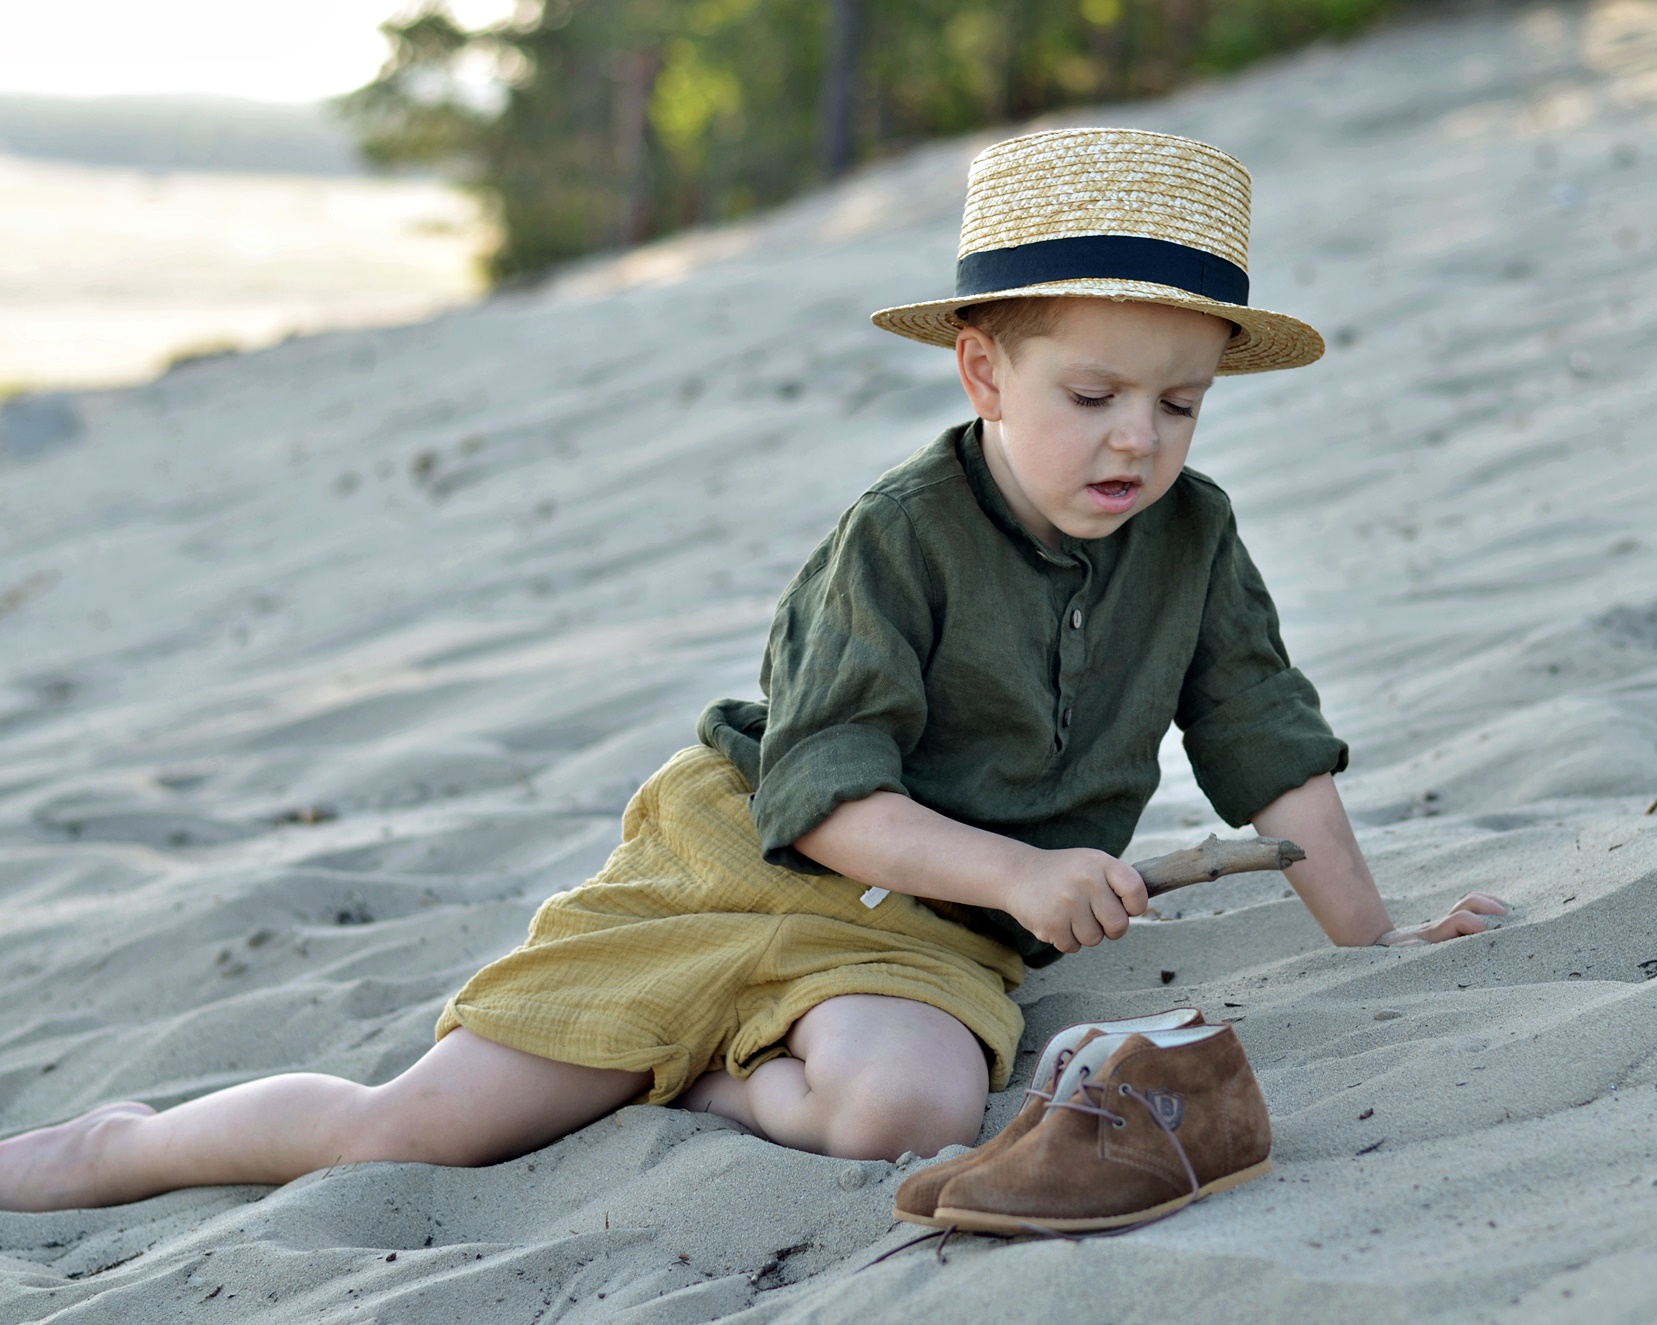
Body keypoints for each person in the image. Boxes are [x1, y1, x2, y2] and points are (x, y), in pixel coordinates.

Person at [0, 128, 1504, 1212]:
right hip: (742, 861)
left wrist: (1369, 941)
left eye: (1180, 404)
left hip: (926, 932)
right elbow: (822, 789)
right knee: (423, 1129)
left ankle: (714, 1075)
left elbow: (1265, 743)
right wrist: (1030, 870)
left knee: (900, 1110)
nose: (1140, 440)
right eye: (1094, 393)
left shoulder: (1194, 537)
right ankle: (113, 1143)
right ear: (982, 371)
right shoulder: (898, 538)